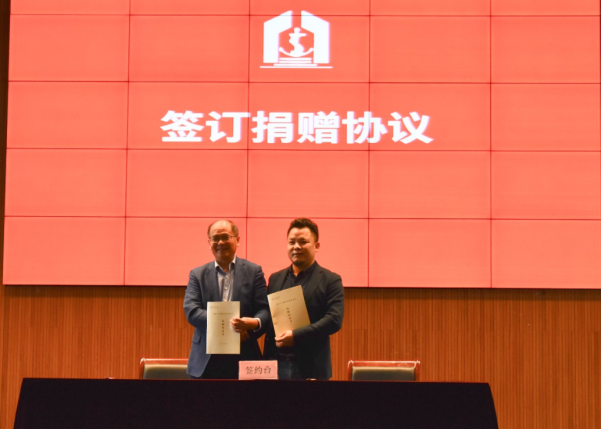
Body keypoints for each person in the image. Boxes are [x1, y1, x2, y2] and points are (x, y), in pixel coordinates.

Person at [184, 219, 269, 379]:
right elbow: (192, 310)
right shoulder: (197, 274)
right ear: (209, 243)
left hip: (244, 352)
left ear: (237, 239)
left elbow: (264, 310)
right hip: (205, 359)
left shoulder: (254, 271)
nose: (220, 242)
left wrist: (253, 323)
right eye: (215, 238)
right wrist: (229, 325)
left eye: (225, 237)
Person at [264, 218, 345, 380]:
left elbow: (334, 320)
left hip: (312, 367)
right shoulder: (275, 278)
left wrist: (296, 336)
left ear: (317, 246)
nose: (296, 247)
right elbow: (268, 315)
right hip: (276, 365)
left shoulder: (330, 280)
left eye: (303, 242)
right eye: (291, 242)